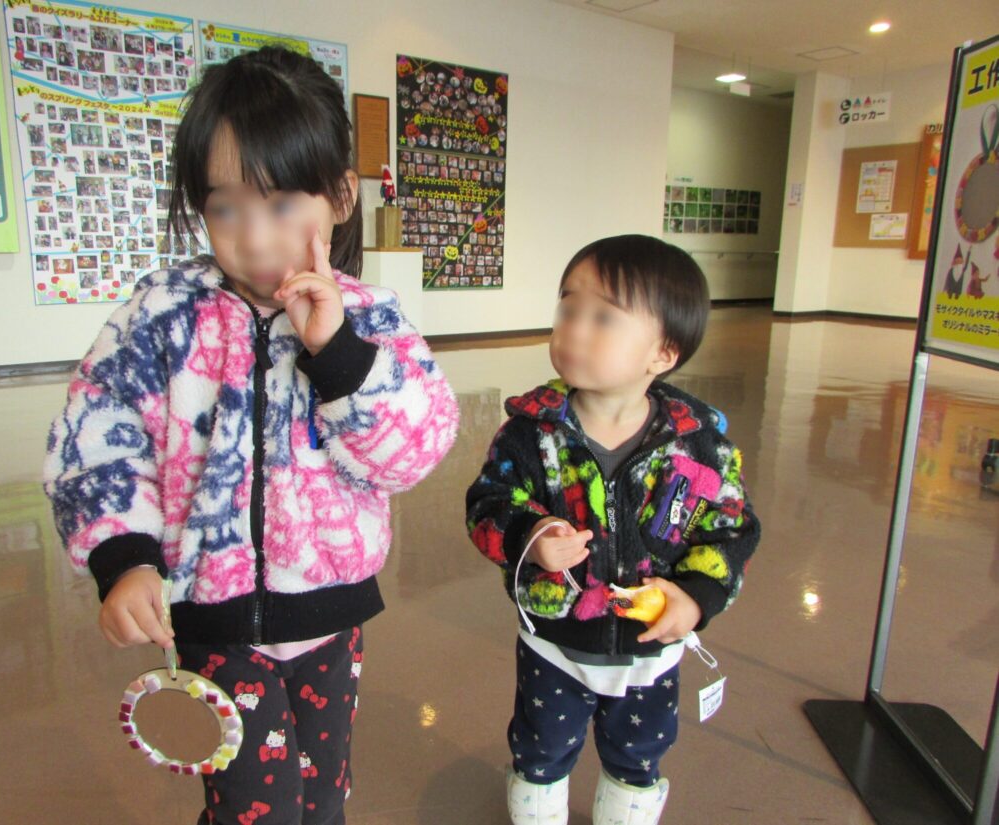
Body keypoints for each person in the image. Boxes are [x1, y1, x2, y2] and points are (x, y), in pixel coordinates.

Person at [44, 45, 459, 825]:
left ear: (340, 195)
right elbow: (96, 435)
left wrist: (338, 353)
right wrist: (124, 558)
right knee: (256, 809)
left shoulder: (371, 317)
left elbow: (415, 449)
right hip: (214, 619)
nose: (256, 239)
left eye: (281, 204)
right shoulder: (164, 315)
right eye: (226, 208)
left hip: (330, 619)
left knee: (322, 800)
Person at [465, 235, 759, 825]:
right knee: (541, 751)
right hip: (554, 644)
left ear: (662, 354)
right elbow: (486, 505)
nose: (574, 327)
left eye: (603, 317)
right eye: (568, 306)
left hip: (651, 651)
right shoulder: (531, 434)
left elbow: (730, 531)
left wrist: (696, 598)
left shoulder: (698, 446)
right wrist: (529, 535)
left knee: (638, 759)